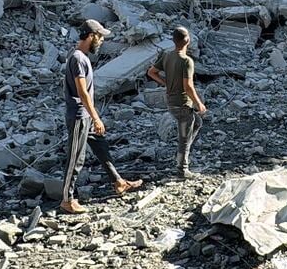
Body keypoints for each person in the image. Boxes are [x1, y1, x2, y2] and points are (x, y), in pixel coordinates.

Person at [61, 20, 143, 214]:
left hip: (85, 114)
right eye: (100, 37)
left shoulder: (80, 56)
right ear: (91, 36)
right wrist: (96, 117)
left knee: (101, 146)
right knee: (76, 158)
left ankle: (118, 182)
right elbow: (82, 92)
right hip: (80, 115)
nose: (101, 41)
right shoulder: (78, 59)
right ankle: (67, 200)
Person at [147, 27, 207, 178]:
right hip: (182, 103)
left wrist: (165, 83)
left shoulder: (167, 56)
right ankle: (182, 169)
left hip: (171, 102)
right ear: (187, 41)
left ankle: (183, 154)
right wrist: (198, 103)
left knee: (197, 122)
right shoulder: (186, 61)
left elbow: (151, 72)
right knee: (184, 137)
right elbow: (188, 86)